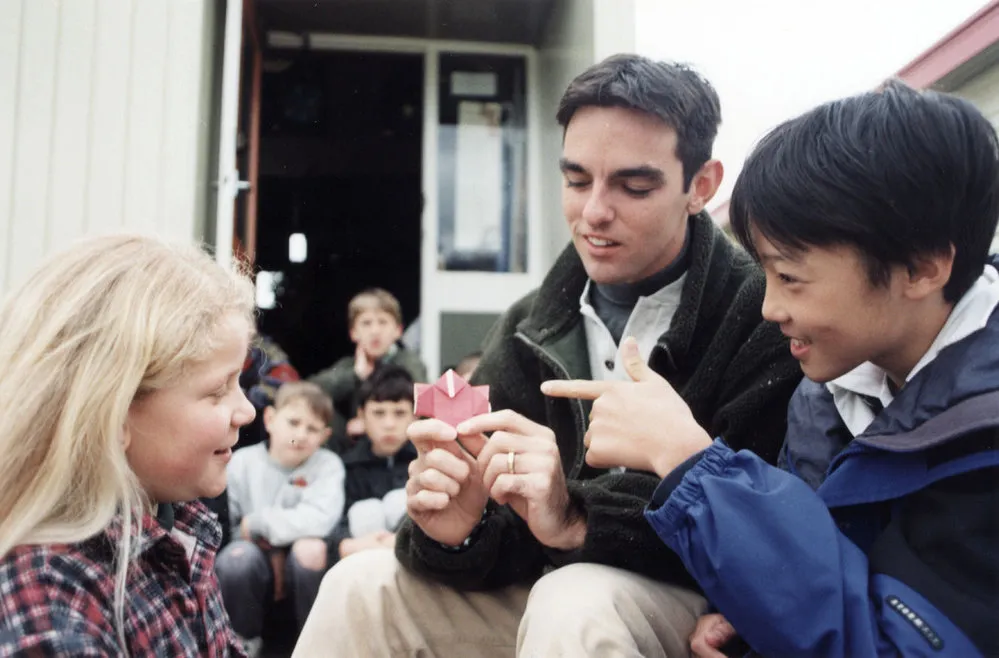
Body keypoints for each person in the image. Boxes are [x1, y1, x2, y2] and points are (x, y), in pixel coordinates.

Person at [296, 54, 801, 657]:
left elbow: (771, 531)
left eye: (633, 185)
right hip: (550, 596)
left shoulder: (763, 313)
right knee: (358, 583)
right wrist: (459, 531)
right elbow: (510, 541)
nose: (593, 213)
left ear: (702, 185)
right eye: (576, 179)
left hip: (698, 605)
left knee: (575, 601)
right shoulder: (527, 326)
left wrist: (578, 517)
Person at [550, 81, 999, 657]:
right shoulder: (829, 391)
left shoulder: (981, 437)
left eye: (790, 277)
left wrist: (693, 466)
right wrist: (740, 616)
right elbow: (824, 573)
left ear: (920, 269)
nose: (769, 308)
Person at [0, 235, 256, 656]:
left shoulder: (178, 522)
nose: (246, 411)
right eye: (217, 391)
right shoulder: (48, 600)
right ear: (111, 414)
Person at [216, 380, 345, 655]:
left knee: (309, 548)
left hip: (302, 564)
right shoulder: (242, 462)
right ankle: (244, 640)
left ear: (325, 436)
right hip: (255, 561)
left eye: (312, 429)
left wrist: (261, 523)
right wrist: (266, 541)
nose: (301, 434)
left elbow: (320, 519)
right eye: (294, 422)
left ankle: (314, 644)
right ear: (271, 419)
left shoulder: (327, 465)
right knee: (237, 558)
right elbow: (233, 528)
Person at [310, 288, 427, 452]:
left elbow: (421, 404)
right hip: (354, 449)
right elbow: (310, 393)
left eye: (383, 322)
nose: (375, 331)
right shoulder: (349, 365)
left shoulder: (408, 362)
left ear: (398, 331)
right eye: (366, 323)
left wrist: (370, 425)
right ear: (353, 333)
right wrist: (355, 375)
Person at [325, 365, 418, 567]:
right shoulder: (346, 466)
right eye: (379, 413)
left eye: (400, 413)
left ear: (415, 416)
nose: (389, 424)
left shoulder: (424, 462)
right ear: (361, 415)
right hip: (359, 560)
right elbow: (331, 523)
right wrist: (346, 544)